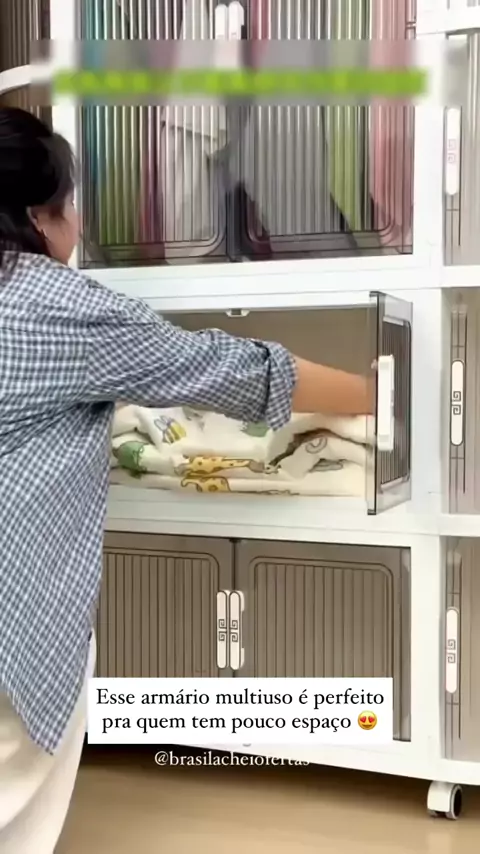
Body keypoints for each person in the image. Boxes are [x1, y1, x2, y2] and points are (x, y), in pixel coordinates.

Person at [0, 106, 373, 853]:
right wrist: (380, 396)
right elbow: (232, 371)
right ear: (40, 216)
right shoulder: (57, 305)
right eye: (71, 206)